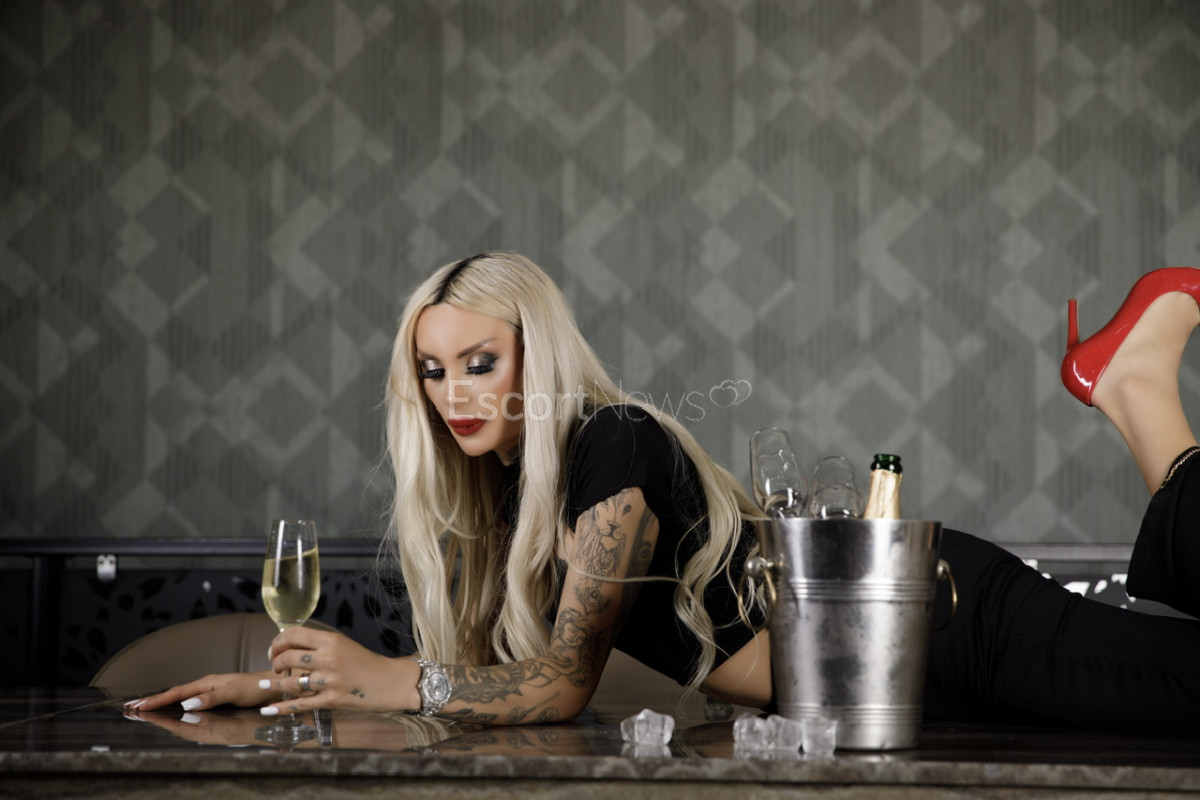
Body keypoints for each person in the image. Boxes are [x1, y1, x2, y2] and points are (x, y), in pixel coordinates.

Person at [128, 254, 1200, 733]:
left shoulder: (614, 443)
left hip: (951, 626)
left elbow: (557, 685)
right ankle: (1134, 390)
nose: (454, 393)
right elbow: (491, 684)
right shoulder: (509, 501)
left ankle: (1137, 386)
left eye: (481, 362)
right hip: (891, 694)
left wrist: (384, 675)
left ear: (536, 353)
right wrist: (276, 696)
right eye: (433, 369)